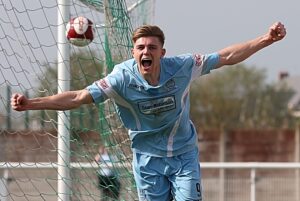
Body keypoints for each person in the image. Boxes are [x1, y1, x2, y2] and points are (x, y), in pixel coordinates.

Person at [11, 22, 286, 201]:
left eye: (151, 47)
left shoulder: (182, 67)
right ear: (134, 52)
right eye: (140, 47)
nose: (146, 51)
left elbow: (225, 56)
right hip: (147, 160)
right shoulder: (120, 78)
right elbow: (79, 96)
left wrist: (266, 39)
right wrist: (32, 103)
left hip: (183, 154)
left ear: (162, 52)